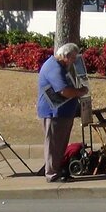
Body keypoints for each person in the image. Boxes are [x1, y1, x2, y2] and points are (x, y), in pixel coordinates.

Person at [37, 43, 89, 183]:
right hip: (54, 113)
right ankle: (52, 174)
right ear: (65, 56)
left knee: (60, 144)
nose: (73, 61)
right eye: (72, 58)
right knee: (53, 144)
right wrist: (80, 92)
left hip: (63, 113)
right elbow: (64, 91)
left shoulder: (61, 66)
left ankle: (57, 170)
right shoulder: (54, 68)